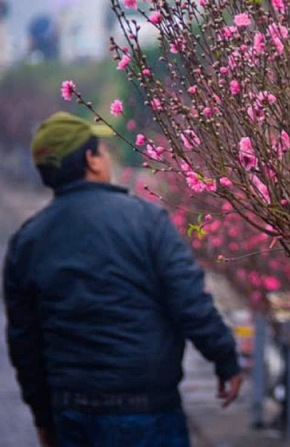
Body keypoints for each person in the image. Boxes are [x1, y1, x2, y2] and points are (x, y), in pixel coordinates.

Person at [3, 112, 243, 447]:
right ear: (91, 159)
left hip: (72, 412)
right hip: (148, 410)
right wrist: (225, 359)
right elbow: (189, 300)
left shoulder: (27, 242)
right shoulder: (146, 221)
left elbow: (24, 342)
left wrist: (43, 417)